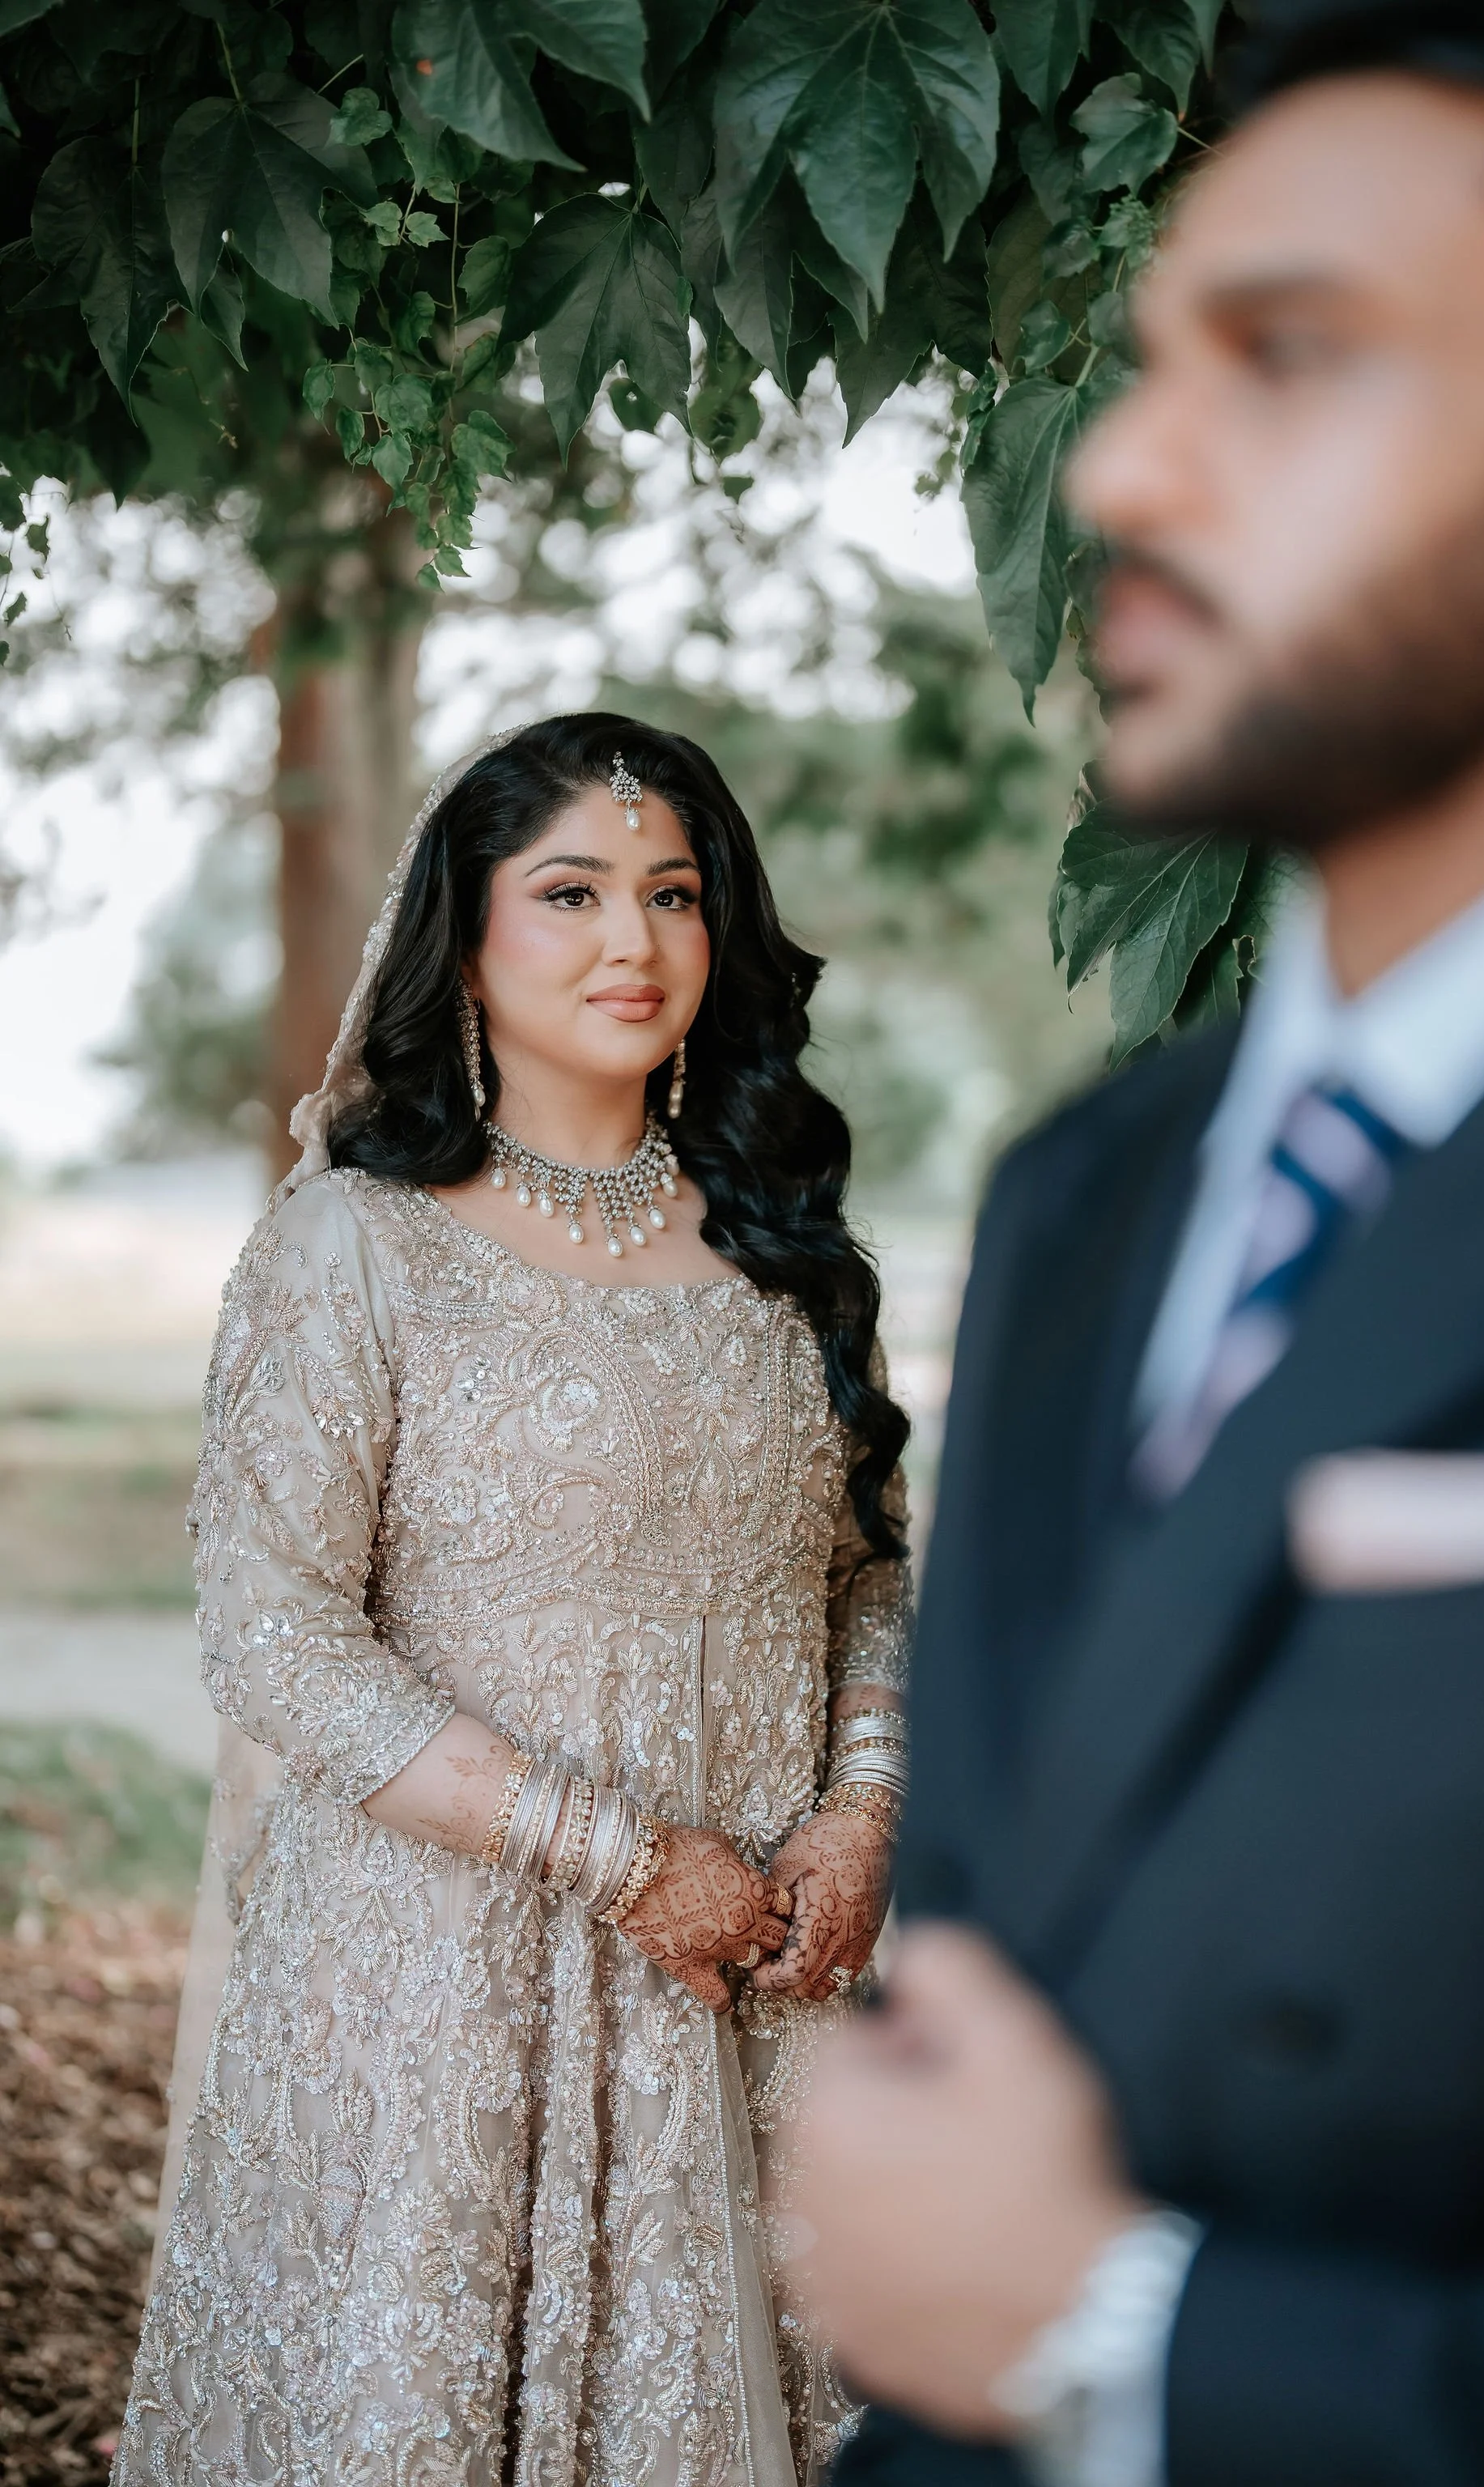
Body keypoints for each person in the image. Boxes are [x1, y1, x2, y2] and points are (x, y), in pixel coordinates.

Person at [789, 4, 1484, 2482]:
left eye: (1288, 360)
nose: (1126, 466)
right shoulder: (1092, 1192)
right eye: (1154, 361)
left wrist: (1123, 2346)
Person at [115, 714, 913, 2486]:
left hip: (763, 1983)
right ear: (463, 936)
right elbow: (275, 1634)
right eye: (571, 893)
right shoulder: (357, 1248)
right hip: (444, 1993)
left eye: (673, 894)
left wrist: (864, 1809)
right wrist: (622, 1859)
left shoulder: (786, 1248)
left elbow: (865, 1571)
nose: (634, 942)